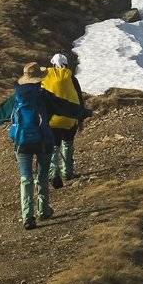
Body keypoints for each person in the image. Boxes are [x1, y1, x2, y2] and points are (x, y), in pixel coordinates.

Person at [0, 61, 84, 229]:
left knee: (26, 178)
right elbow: (65, 108)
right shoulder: (44, 95)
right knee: (42, 176)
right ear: (40, 79)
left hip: (22, 143)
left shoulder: (17, 97)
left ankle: (27, 216)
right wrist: (85, 112)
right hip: (44, 140)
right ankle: (43, 211)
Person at [42, 51, 85, 189]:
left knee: (54, 146)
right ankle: (68, 172)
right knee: (68, 143)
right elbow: (79, 98)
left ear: (52, 64)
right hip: (70, 118)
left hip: (52, 119)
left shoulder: (46, 76)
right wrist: (81, 118)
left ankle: (54, 173)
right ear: (66, 64)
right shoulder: (71, 77)